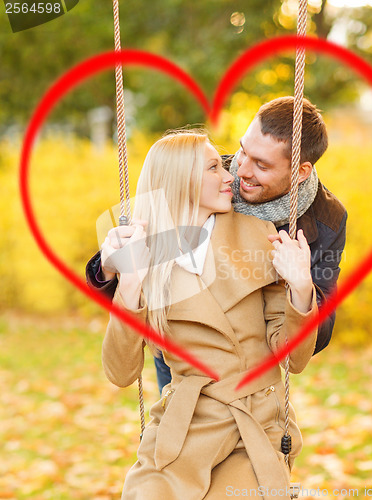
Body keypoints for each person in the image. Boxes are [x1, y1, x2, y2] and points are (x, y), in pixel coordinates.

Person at [102, 130, 318, 499]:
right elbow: (121, 373)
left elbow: (293, 360)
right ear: (181, 180)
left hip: (251, 425)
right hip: (183, 426)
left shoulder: (259, 235)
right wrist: (129, 285)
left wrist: (301, 289)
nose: (230, 175)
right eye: (214, 167)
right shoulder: (145, 250)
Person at [86, 96, 347, 394]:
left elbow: (319, 318)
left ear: (300, 172)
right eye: (242, 151)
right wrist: (105, 270)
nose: (239, 171)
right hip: (183, 346)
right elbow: (135, 250)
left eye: (261, 164)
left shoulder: (326, 219)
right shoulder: (212, 176)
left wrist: (295, 289)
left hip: (252, 361)